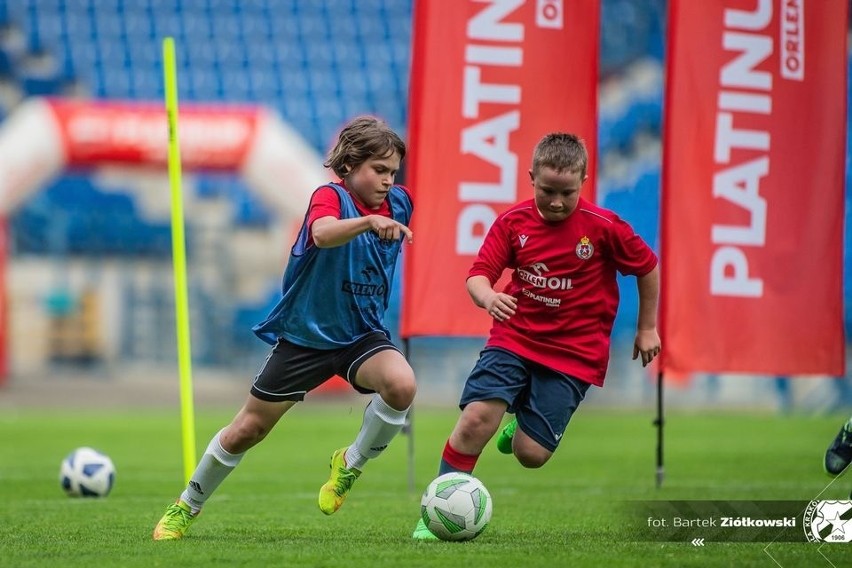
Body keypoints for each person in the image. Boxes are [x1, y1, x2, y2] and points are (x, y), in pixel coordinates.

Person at [153, 115, 416, 540]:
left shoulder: (400, 203)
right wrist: (367, 223)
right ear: (349, 166)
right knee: (247, 429)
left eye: (392, 172)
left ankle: (349, 465)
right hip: (306, 336)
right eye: (378, 170)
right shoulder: (328, 197)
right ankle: (187, 505)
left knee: (402, 385)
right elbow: (324, 234)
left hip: (361, 333)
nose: (388, 181)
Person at [411, 132, 661, 539]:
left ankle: (521, 423)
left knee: (531, 455)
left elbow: (648, 267)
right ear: (531, 178)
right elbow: (478, 276)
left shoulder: (604, 228)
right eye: (548, 191)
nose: (557, 202)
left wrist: (647, 327)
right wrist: (489, 297)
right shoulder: (513, 224)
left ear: (584, 179)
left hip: (575, 353)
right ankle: (433, 515)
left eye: (567, 192)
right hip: (515, 338)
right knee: (476, 420)